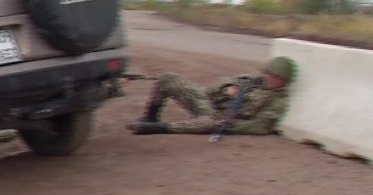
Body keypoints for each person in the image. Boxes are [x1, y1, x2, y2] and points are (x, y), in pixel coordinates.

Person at [125, 56, 297, 136]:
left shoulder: (277, 101)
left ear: (284, 81)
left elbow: (260, 126)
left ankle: (158, 128)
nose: (269, 79)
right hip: (206, 99)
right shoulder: (253, 80)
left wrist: (228, 125)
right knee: (168, 78)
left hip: (219, 117)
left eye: (275, 78)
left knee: (207, 123)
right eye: (268, 73)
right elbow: (218, 83)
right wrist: (227, 88)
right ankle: (150, 117)